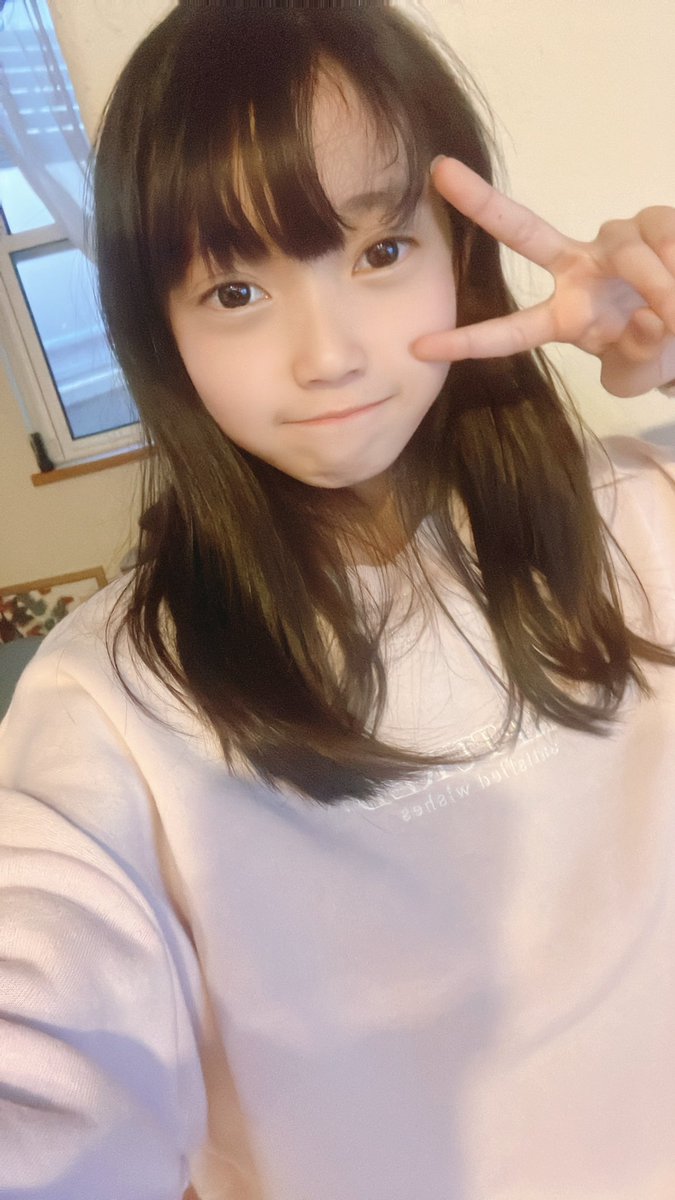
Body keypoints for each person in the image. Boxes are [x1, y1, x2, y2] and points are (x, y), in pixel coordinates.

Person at [1, 3, 675, 1197]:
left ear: (459, 255)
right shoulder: (109, 702)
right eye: (234, 291)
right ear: (161, 330)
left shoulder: (641, 515)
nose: (330, 357)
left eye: (378, 253)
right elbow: (47, 1053)